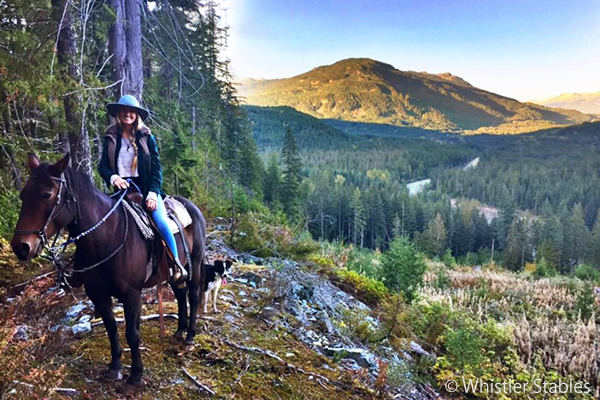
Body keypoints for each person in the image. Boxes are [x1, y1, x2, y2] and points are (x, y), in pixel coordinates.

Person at [99, 94, 187, 285]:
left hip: (146, 190)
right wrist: (113, 177)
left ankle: (176, 265)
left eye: (131, 112)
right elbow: (103, 166)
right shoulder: (110, 137)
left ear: (136, 115)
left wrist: (153, 194)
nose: (127, 114)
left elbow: (156, 169)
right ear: (119, 114)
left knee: (161, 222)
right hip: (120, 191)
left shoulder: (147, 138)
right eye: (124, 111)